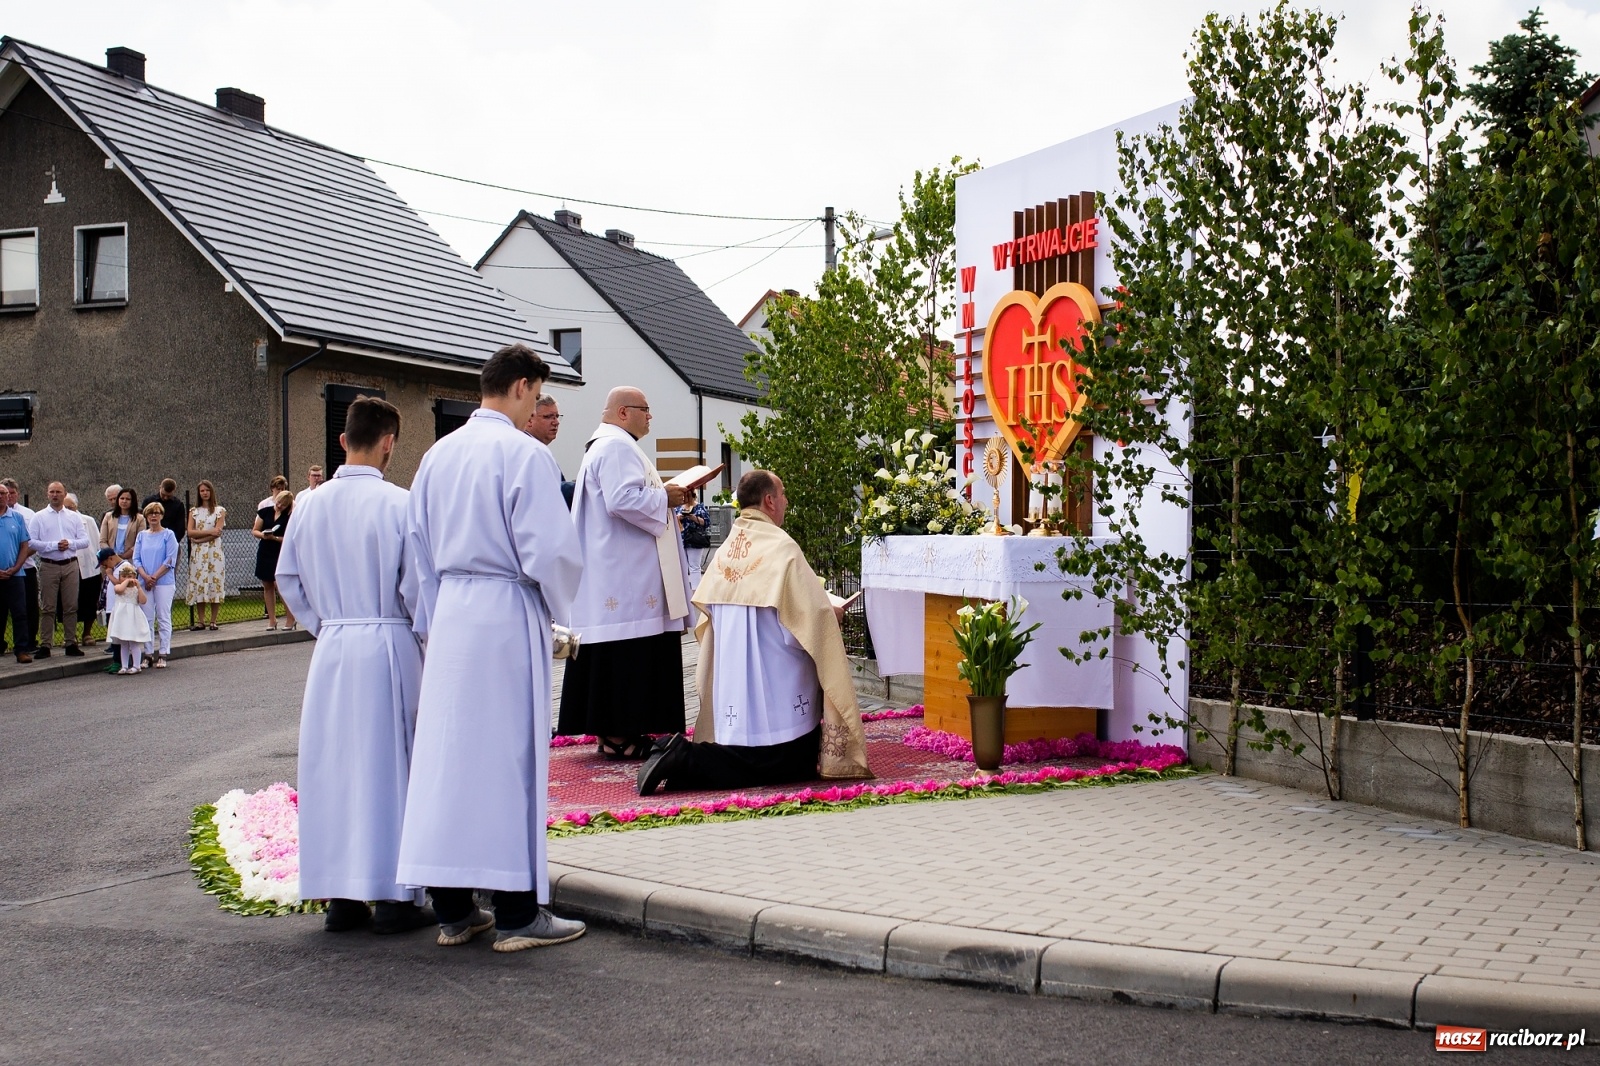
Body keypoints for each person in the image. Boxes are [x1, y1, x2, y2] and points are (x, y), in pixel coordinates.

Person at [396, 342, 586, 953]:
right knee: (509, 760)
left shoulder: (436, 456)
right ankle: (516, 914)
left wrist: (433, 618)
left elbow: (417, 552)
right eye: (538, 395)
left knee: (449, 762)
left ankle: (453, 910)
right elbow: (550, 552)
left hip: (451, 612)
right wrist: (563, 612)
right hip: (505, 613)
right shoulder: (522, 454)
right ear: (525, 386)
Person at [277, 397, 431, 935]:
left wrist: (326, 624)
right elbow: (417, 587)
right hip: (388, 639)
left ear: (343, 440)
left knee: (335, 769)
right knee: (390, 769)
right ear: (389, 442)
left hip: (335, 647)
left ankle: (340, 897)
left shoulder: (308, 506)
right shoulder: (400, 504)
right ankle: (393, 899)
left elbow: (289, 578)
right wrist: (422, 635)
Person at [638, 470, 871, 795]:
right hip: (777, 690)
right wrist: (832, 614)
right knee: (784, 766)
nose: (786, 501)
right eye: (783, 493)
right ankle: (683, 757)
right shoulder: (782, 549)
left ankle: (683, 763)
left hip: (736, 688)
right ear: (769, 501)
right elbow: (802, 626)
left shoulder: (725, 550)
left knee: (761, 759)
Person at [557, 387, 693, 759]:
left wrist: (665, 494)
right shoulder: (615, 447)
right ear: (622, 412)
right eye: (645, 409)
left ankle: (613, 733)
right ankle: (619, 735)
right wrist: (665, 497)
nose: (650, 416)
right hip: (625, 579)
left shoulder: (607, 445)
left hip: (617, 573)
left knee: (621, 660)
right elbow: (621, 499)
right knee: (627, 659)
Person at [27, 481, 89, 659]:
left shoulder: (74, 517)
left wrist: (69, 543)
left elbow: (84, 541)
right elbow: (31, 542)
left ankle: (70, 642)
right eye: (52, 492)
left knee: (71, 606)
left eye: (58, 492)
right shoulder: (38, 517)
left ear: (64, 494)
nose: (55, 495)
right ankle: (46, 644)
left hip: (70, 564)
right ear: (47, 494)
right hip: (49, 565)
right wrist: (54, 545)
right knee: (48, 607)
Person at [134, 502, 178, 668]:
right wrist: (145, 577)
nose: (154, 516)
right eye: (151, 513)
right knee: (147, 618)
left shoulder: (168, 535)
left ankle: (163, 652)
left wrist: (155, 577)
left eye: (157, 513)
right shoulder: (141, 536)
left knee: (163, 616)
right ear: (146, 516)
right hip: (145, 582)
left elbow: (170, 559)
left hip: (163, 582)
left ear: (162, 515)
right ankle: (148, 653)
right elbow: (136, 559)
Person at [2, 479, 39, 655]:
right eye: (1, 493)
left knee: (21, 612)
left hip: (17, 573)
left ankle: (22, 648)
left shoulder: (18, 517)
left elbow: (26, 545)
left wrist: (16, 567)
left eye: (5, 493)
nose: (3, 497)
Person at [186, 480, 227, 631]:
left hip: (213, 552)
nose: (204, 493)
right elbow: (190, 532)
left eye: (207, 490)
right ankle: (201, 620)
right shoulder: (194, 512)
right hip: (198, 553)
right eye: (202, 491)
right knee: (200, 582)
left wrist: (200, 538)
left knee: (214, 582)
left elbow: (217, 532)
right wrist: (208, 532)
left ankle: (213, 620)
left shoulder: (219, 511)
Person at [254, 491, 296, 630]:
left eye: (283, 505)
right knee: (267, 585)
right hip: (265, 550)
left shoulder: (289, 516)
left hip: (280, 552)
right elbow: (255, 530)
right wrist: (263, 535)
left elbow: (290, 538)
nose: (279, 506)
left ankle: (290, 618)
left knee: (280, 585)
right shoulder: (265, 512)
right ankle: (272, 620)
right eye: (278, 503)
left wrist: (275, 538)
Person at [65, 493, 102, 647]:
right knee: (69, 603)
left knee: (89, 601)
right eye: (65, 507)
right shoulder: (60, 521)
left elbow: (97, 543)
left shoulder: (88, 521)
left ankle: (87, 633)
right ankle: (70, 635)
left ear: (76, 506)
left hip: (88, 568)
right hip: (68, 566)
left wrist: (100, 565)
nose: (68, 510)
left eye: (70, 507)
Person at [524, 394, 574, 507]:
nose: (556, 422)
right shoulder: (529, 450)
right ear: (529, 419)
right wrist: (580, 487)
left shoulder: (536, 448)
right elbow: (545, 491)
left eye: (557, 416)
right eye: (548, 417)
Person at [105, 562, 150, 675]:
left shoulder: (135, 589)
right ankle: (124, 665)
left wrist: (138, 587)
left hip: (132, 618)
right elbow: (119, 590)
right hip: (122, 618)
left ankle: (136, 665)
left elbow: (143, 601)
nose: (127, 579)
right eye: (123, 576)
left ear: (134, 577)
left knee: (133, 643)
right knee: (123, 643)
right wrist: (126, 581)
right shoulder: (118, 587)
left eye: (130, 576)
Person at [100, 488, 144, 567]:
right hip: (110, 560)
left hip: (130, 560)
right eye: (122, 498)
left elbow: (140, 542)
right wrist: (112, 555)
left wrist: (124, 556)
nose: (124, 501)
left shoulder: (140, 519)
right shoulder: (108, 516)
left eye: (128, 499)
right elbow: (102, 540)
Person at [677, 488, 711, 590]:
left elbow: (706, 522)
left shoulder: (699, 507)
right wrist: (678, 518)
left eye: (688, 496)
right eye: (684, 496)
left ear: (693, 496)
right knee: (682, 565)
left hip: (695, 540)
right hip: (682, 539)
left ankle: (696, 589)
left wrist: (693, 518)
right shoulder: (678, 508)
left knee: (694, 565)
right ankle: (685, 588)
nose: (686, 498)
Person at [142, 479, 187, 544]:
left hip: (169, 541)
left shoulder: (178, 505)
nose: (165, 498)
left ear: (174, 491)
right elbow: (143, 521)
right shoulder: (149, 501)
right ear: (160, 487)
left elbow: (180, 528)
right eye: (163, 494)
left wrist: (172, 542)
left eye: (169, 496)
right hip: (150, 539)